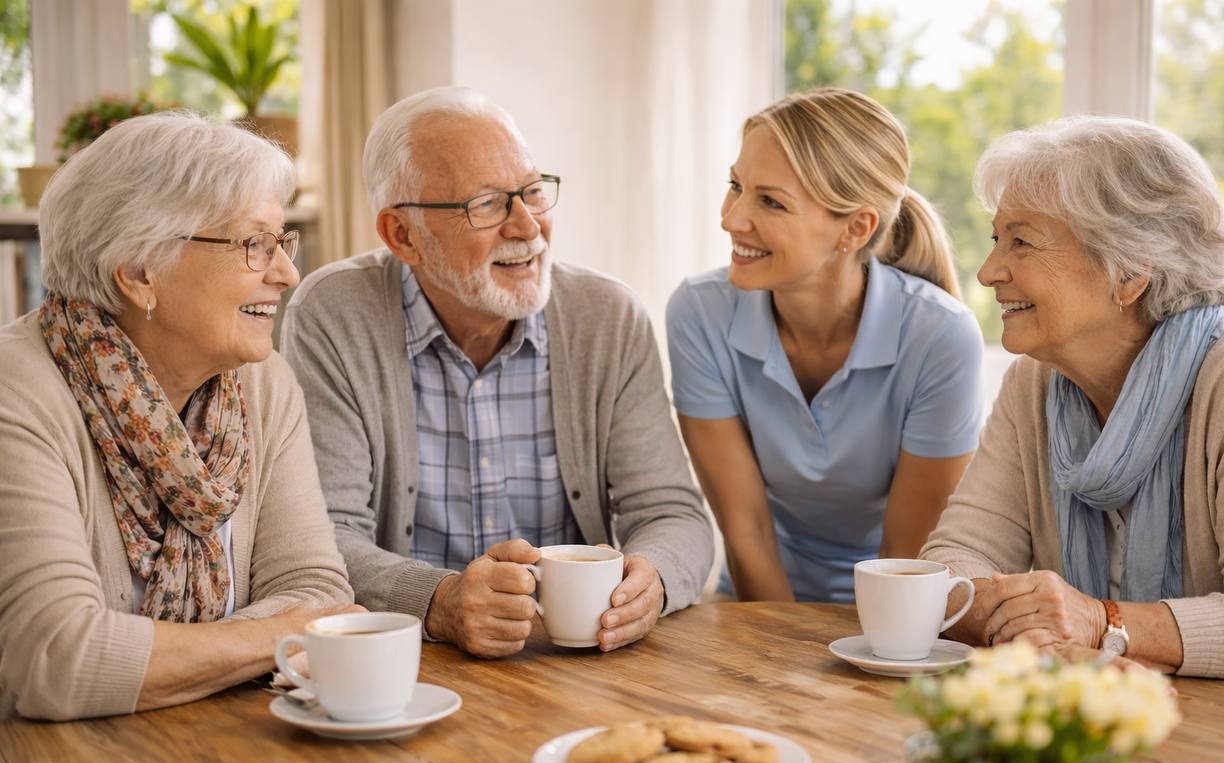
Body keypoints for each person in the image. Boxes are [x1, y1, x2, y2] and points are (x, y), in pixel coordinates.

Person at [281, 87, 712, 658]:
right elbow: (322, 536)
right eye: (486, 204)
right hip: (408, 660)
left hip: (577, 661)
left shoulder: (607, 316)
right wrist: (439, 599)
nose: (528, 227)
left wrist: (652, 579)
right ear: (401, 235)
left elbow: (671, 512)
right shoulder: (335, 313)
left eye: (533, 192)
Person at [0, 113, 357, 720]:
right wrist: (282, 634)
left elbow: (318, 587)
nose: (286, 272)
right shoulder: (18, 394)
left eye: (282, 241)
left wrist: (160, 660)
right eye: (254, 243)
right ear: (140, 273)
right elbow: (59, 659)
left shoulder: (263, 383)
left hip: (225, 754)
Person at [923, 115, 1224, 680]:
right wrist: (1033, 628)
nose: (989, 271)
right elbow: (950, 564)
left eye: (1022, 241)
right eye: (997, 239)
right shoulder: (1036, 381)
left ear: (1131, 272)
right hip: (1089, 719)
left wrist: (1101, 622)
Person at [666, 87, 983, 603]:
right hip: (757, 605)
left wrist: (853, 665)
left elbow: (905, 564)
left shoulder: (941, 337)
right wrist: (781, 661)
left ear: (856, 228)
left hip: (894, 615)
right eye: (735, 185)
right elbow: (747, 532)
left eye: (770, 201)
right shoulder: (699, 313)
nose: (731, 218)